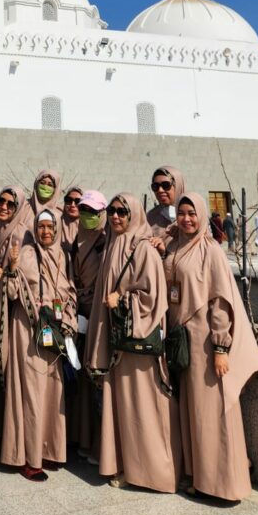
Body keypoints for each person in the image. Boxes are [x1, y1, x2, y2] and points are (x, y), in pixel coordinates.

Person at [164, 193, 258, 501]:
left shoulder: (211, 251)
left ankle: (222, 481)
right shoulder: (176, 246)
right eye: (181, 213)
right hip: (183, 341)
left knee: (212, 414)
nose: (186, 219)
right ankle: (198, 476)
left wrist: (221, 348)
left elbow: (220, 303)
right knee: (193, 413)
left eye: (192, 213)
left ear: (203, 215)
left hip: (206, 343)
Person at [86, 193, 180, 492]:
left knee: (143, 409)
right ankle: (127, 465)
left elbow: (153, 298)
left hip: (138, 345)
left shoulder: (143, 248)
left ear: (134, 214)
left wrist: (121, 300)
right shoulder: (116, 245)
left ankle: (151, 472)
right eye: (112, 211)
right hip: (120, 345)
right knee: (126, 410)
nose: (115, 216)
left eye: (122, 212)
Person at [0, 209, 77, 482]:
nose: (45, 232)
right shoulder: (27, 254)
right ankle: (29, 457)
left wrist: (67, 317)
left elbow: (68, 292)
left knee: (52, 393)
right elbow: (10, 293)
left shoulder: (61, 256)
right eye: (41, 227)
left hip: (53, 331)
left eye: (50, 227)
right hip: (29, 330)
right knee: (32, 392)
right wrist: (11, 267)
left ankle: (49, 450)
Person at [67, 189, 107, 458]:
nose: (87, 216)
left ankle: (101, 444)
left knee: (98, 379)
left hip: (100, 317)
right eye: (84, 211)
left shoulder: (108, 241)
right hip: (79, 313)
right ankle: (82, 438)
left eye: (93, 212)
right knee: (81, 379)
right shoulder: (76, 239)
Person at [0, 185, 34, 278]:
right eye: (1, 201)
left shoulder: (22, 234)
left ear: (18, 207)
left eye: (10, 204)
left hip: (7, 288)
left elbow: (27, 271)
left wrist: (5, 273)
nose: (4, 207)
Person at [146, 166, 186, 247]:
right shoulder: (150, 217)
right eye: (155, 186)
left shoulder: (193, 215)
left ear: (177, 186)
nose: (160, 190)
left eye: (166, 185)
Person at [61, 184, 83, 255]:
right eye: (68, 200)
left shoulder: (89, 228)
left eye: (78, 201)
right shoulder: (56, 222)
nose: (73, 205)